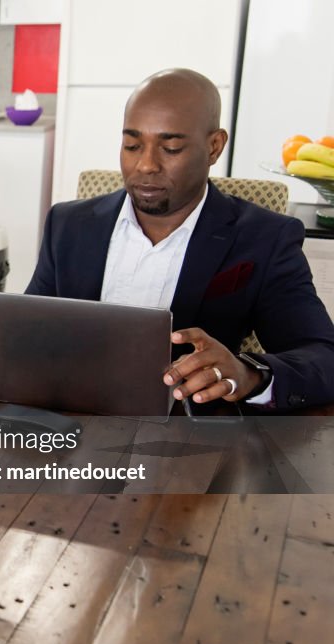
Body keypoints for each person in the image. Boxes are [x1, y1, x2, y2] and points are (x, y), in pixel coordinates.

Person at [26, 68, 334, 411]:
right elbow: (27, 332)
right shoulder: (69, 224)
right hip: (65, 425)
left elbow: (323, 358)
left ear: (214, 147)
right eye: (132, 145)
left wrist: (249, 374)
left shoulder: (264, 238)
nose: (145, 165)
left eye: (170, 148)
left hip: (183, 441)